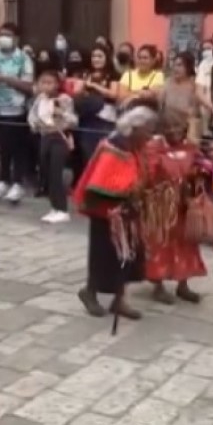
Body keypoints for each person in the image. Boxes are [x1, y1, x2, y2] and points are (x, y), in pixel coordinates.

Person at [74, 106, 156, 321]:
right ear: (135, 128)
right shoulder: (114, 146)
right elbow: (102, 181)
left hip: (128, 212)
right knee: (103, 255)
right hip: (107, 212)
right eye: (147, 130)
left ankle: (119, 300)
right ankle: (89, 292)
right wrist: (128, 189)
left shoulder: (134, 146)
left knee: (127, 256)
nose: (150, 135)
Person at [142, 110, 211, 304]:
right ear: (161, 130)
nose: (174, 132)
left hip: (185, 205)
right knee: (159, 244)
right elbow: (148, 174)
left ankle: (183, 285)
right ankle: (158, 286)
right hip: (161, 206)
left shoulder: (191, 148)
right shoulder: (153, 148)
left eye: (178, 128)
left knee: (186, 243)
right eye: (169, 129)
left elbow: (202, 169)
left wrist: (200, 176)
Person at [0, 23, 35, 203]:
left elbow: (28, 86)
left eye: (8, 35)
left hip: (16, 108)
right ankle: (3, 180)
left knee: (18, 146)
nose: (3, 38)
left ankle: (18, 182)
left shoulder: (24, 59)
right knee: (2, 145)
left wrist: (3, 78)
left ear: (16, 38)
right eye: (1, 35)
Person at [27, 68, 78, 223]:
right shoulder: (39, 99)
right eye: (43, 82)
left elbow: (73, 121)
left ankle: (62, 209)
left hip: (59, 137)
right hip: (45, 136)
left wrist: (61, 113)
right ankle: (54, 207)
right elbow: (32, 116)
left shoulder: (65, 99)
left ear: (57, 84)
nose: (46, 86)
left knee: (56, 173)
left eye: (50, 83)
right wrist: (35, 125)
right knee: (47, 172)